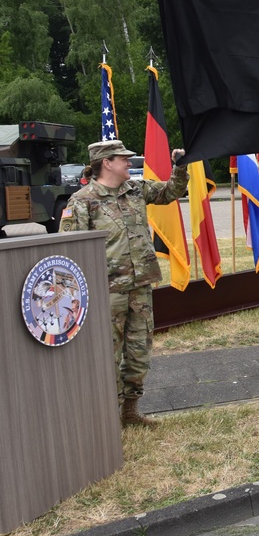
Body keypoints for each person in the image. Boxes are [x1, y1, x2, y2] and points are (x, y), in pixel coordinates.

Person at [59, 139, 188, 427]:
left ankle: (130, 412)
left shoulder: (136, 190)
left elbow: (170, 192)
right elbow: (69, 251)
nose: (129, 163)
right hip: (107, 291)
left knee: (139, 351)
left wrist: (180, 167)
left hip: (140, 286)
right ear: (106, 162)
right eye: (123, 159)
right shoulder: (82, 201)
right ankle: (106, 418)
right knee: (108, 355)